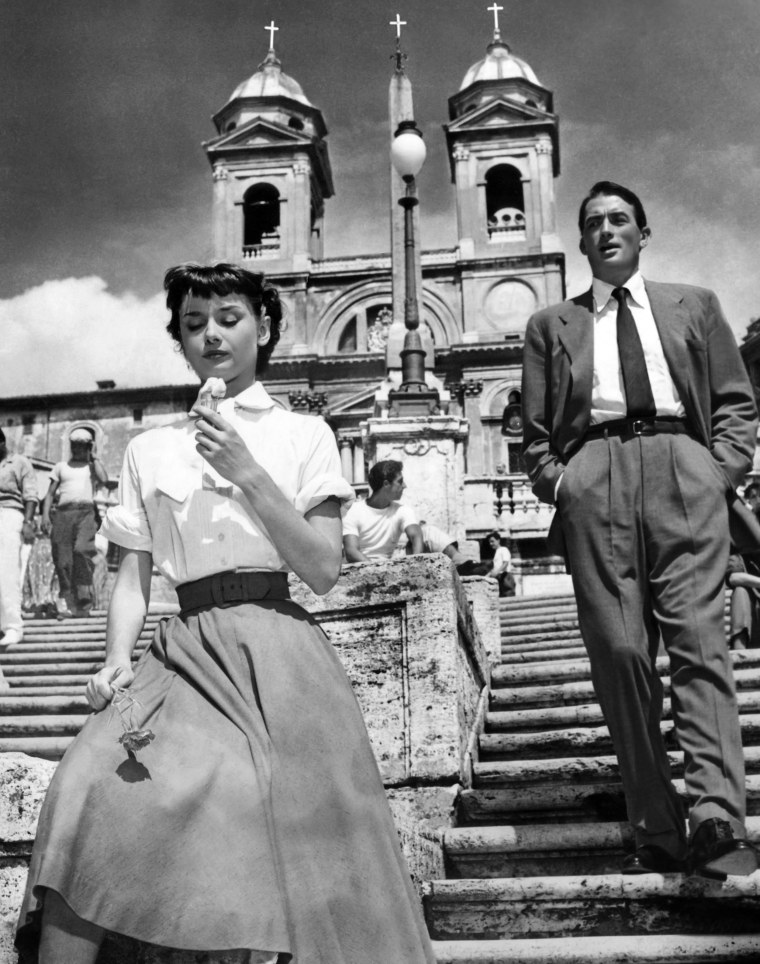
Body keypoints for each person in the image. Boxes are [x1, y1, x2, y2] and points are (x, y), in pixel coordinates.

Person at [16, 263, 436, 964]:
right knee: (86, 782)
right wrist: (116, 658)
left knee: (273, 827)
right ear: (178, 339)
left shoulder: (307, 435)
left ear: (263, 327)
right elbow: (131, 572)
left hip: (278, 653)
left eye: (228, 317)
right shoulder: (152, 449)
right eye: (192, 323)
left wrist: (245, 469)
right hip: (182, 651)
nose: (210, 334)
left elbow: (324, 569)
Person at [521, 181, 759, 880]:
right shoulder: (550, 326)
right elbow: (534, 435)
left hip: (683, 465)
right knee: (621, 652)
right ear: (582, 240)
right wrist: (563, 484)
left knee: (698, 645)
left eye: (619, 219)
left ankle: (718, 813)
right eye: (592, 223)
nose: (606, 230)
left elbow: (735, 404)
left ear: (643, 233)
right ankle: (655, 820)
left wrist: (718, 472)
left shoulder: (695, 305)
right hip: (594, 476)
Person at [41, 428, 109, 618]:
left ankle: (84, 601)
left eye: (82, 446)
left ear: (88, 447)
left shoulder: (91, 467)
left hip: (86, 513)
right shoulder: (61, 466)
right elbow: (49, 495)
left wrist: (94, 457)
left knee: (81, 551)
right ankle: (69, 604)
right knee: (63, 561)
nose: (77, 450)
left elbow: (104, 479)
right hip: (63, 514)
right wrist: (46, 516)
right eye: (74, 446)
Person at [0, 428, 38, 652]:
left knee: (7, 570)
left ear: (2, 443)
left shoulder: (19, 462)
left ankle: (13, 625)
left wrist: (28, 522)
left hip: (10, 514)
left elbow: (31, 494)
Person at [343, 459, 424, 562]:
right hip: (359, 570)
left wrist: (417, 564)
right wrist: (376, 571)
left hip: (387, 569)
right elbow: (351, 551)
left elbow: (416, 536)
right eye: (400, 481)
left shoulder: (402, 510)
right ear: (386, 484)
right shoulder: (353, 511)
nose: (404, 486)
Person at [727, 482, 760, 650]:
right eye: (754, 496)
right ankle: (740, 653)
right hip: (753, 596)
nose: (759, 499)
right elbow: (734, 577)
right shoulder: (740, 537)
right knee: (740, 592)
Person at [483, 531, 515, 597]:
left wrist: (497, 572)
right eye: (490, 542)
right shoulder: (496, 552)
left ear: (498, 540)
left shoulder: (504, 549)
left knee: (508, 596)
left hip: (506, 577)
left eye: (492, 541)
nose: (491, 544)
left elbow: (505, 563)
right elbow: (495, 568)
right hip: (499, 577)